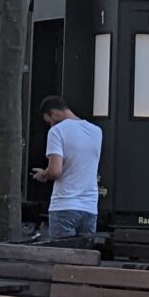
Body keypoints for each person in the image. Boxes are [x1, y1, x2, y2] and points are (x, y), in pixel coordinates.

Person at [33, 94, 103, 241]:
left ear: (54, 113)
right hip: (90, 207)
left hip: (64, 205)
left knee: (62, 257)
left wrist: (43, 175)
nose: (51, 125)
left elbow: (55, 171)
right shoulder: (96, 131)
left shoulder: (57, 132)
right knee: (84, 258)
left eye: (50, 121)